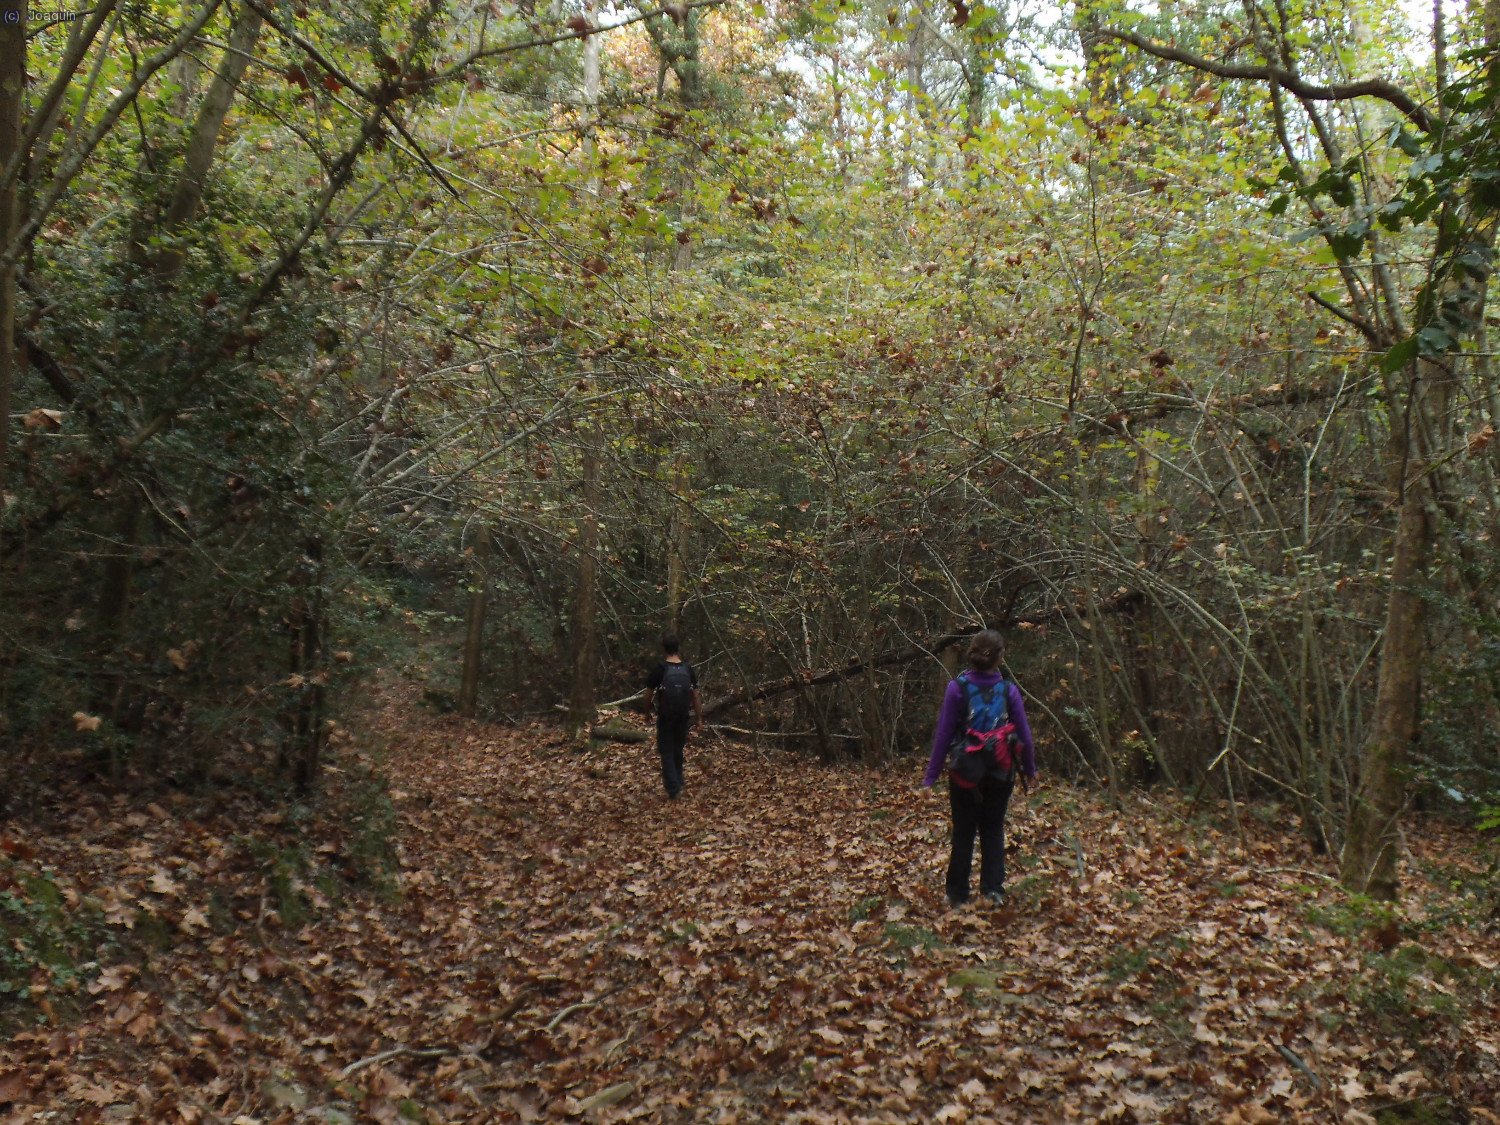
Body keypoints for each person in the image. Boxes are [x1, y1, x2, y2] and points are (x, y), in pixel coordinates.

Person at [922, 629, 1037, 907]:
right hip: (1000, 771)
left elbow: (944, 735)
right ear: (1000, 657)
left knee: (963, 831)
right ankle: (993, 890)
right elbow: (1024, 734)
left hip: (964, 772)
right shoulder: (1008, 690)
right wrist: (1030, 770)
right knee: (993, 829)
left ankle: (958, 895)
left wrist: (931, 777)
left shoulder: (956, 689)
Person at [643, 634, 702, 800]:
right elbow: (696, 696)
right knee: (678, 748)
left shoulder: (660, 669)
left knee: (666, 750)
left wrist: (647, 713)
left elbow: (648, 694)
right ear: (678, 648)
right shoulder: (687, 669)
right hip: (683, 715)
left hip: (665, 715)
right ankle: (678, 780)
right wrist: (699, 718)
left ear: (664, 649)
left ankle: (673, 787)